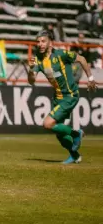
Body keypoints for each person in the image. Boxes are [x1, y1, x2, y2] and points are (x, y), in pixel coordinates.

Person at [27, 30, 96, 164]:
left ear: (50, 43)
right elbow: (31, 81)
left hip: (70, 95)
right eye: (38, 42)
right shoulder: (38, 60)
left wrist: (91, 78)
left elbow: (81, 59)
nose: (40, 44)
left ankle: (76, 134)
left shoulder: (61, 54)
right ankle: (75, 155)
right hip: (58, 98)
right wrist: (31, 69)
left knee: (47, 123)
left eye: (43, 41)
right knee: (59, 133)